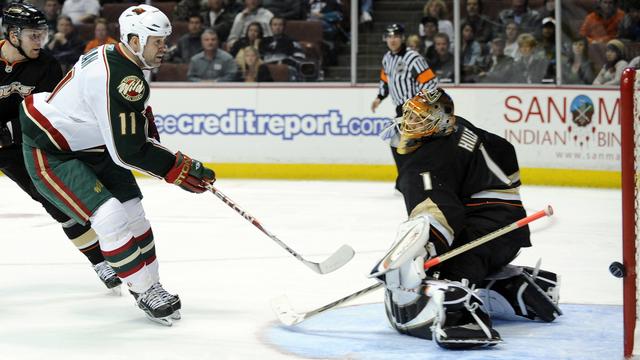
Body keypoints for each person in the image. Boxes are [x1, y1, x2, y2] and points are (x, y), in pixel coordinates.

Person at [18, 4, 216, 326]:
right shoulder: (123, 78)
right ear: (135, 41)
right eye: (158, 41)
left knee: (134, 211)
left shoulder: (116, 55)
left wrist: (166, 157)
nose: (164, 48)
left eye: (165, 40)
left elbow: (122, 131)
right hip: (52, 151)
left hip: (91, 143)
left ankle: (151, 286)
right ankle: (144, 289)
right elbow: (128, 151)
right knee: (109, 216)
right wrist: (176, 168)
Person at [370, 88, 561, 349]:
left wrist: (419, 254)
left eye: (422, 116)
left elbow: (439, 212)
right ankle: (509, 286)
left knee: (441, 271)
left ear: (442, 119)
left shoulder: (432, 157)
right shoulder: (457, 126)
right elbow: (503, 147)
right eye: (412, 114)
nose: (412, 122)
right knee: (445, 262)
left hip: (489, 231)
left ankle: (461, 318)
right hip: (503, 228)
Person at [0, 2, 121, 292]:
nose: (40, 41)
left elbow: (52, 112)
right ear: (13, 35)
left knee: (56, 201)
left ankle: (99, 261)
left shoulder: (46, 65)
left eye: (42, 34)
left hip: (23, 147)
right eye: (33, 35)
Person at [371, 23, 438, 191]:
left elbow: (430, 82)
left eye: (396, 36)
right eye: (389, 36)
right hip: (401, 109)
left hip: (415, 108)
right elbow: (385, 81)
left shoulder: (412, 57)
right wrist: (379, 97)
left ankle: (410, 182)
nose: (392, 40)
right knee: (399, 145)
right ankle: (407, 181)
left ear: (402, 38)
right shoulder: (387, 58)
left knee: (409, 147)